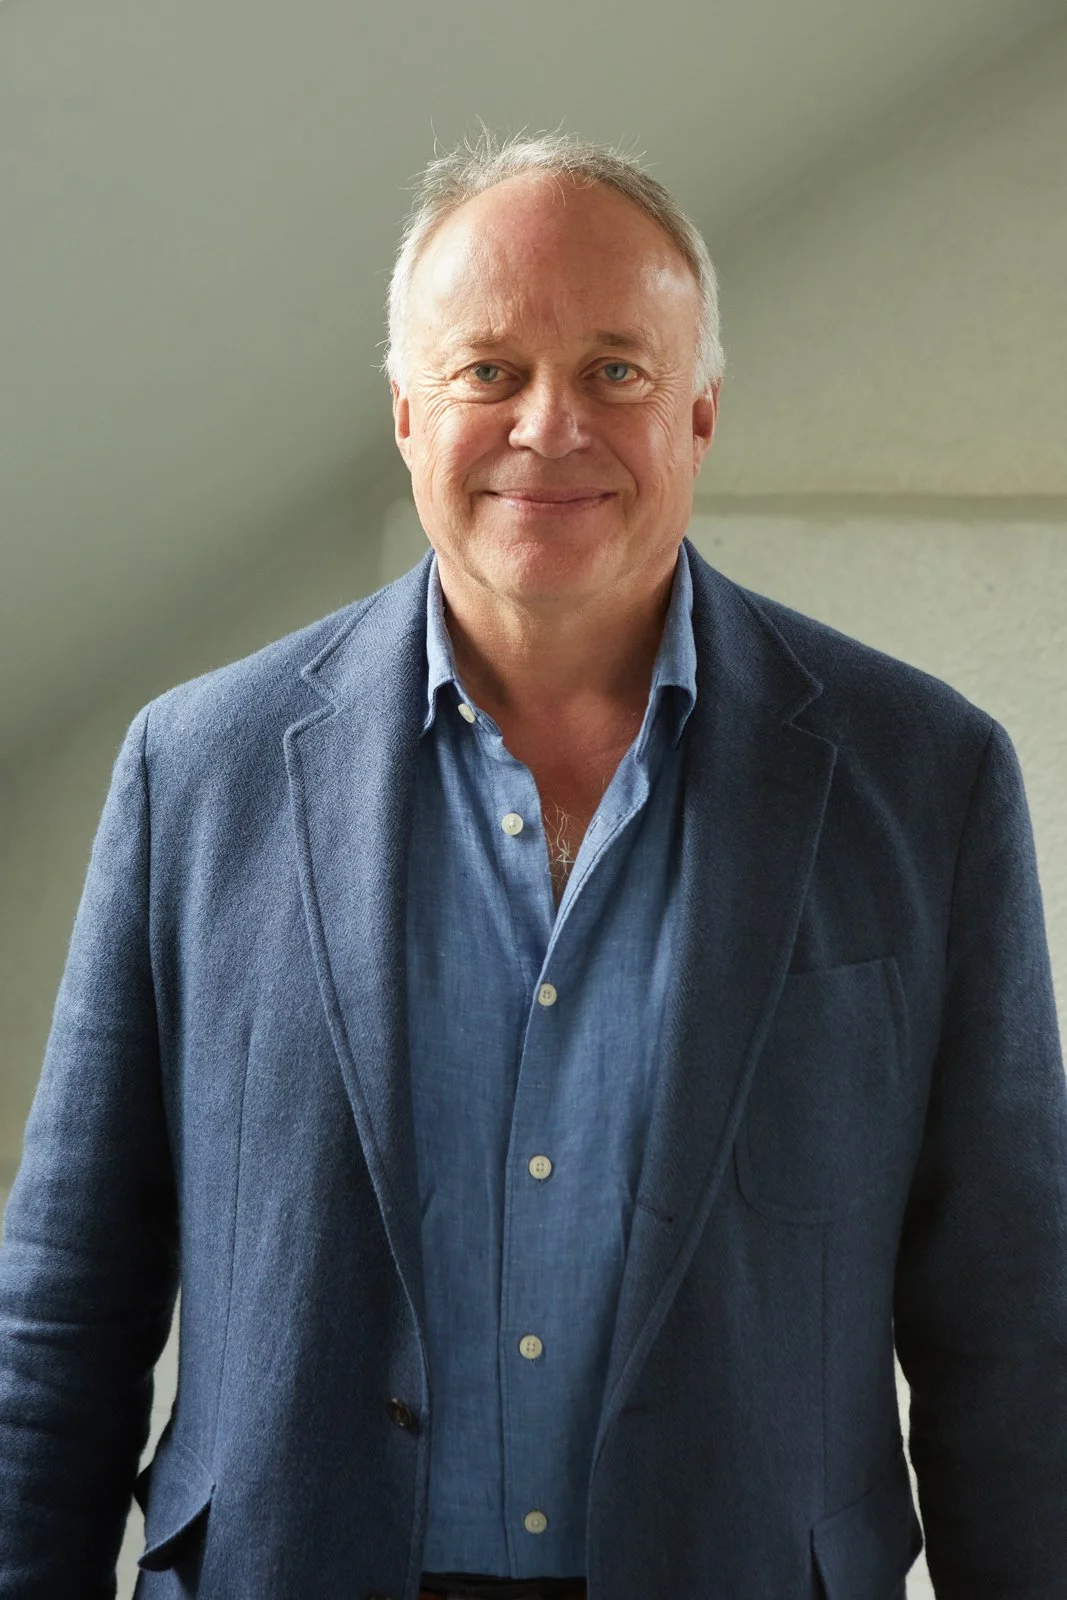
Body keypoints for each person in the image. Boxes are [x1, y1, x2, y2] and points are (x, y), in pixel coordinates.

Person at [1, 126, 1065, 1600]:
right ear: (402, 417)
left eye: (615, 371)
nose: (549, 425)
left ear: (697, 414)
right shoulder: (199, 771)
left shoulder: (921, 776)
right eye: (489, 370)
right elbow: (65, 1309)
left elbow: (1010, 1337)